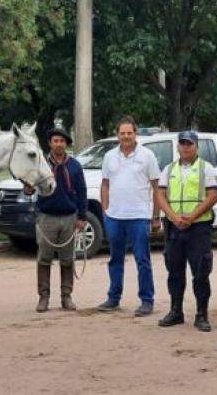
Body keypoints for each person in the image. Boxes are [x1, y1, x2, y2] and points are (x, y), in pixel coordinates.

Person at [96, 116, 162, 316]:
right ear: (117, 135)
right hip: (115, 217)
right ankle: (113, 298)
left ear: (136, 133)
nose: (126, 137)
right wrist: (106, 212)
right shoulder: (109, 157)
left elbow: (156, 187)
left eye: (129, 133)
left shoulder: (147, 155)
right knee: (115, 259)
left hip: (139, 217)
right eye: (122, 133)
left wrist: (156, 216)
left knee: (143, 260)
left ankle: (147, 300)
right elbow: (105, 184)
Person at [156, 130, 217, 332]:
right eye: (182, 143)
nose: (185, 147)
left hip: (198, 227)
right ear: (177, 146)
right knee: (174, 270)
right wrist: (173, 217)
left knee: (201, 271)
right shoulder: (169, 169)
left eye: (189, 144)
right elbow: (160, 195)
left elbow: (212, 196)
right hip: (174, 227)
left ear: (196, 146)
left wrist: (191, 217)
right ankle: (176, 311)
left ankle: (202, 315)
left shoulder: (205, 168)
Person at [23, 127, 87, 312]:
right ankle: (44, 297)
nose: (58, 144)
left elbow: (82, 192)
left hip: (69, 217)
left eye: (62, 141)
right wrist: (28, 189)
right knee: (44, 258)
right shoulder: (40, 164)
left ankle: (66, 296)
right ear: (50, 144)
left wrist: (82, 217)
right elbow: (30, 187)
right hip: (46, 217)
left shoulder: (75, 166)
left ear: (66, 144)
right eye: (55, 141)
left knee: (67, 259)